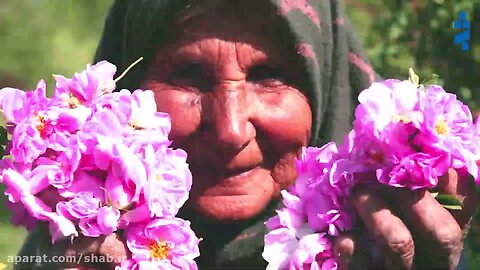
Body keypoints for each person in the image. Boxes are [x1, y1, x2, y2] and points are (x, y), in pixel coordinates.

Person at [15, 0, 476, 269]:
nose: (230, 130)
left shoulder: (411, 237)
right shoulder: (64, 256)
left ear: (327, 84)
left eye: (271, 75)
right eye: (190, 75)